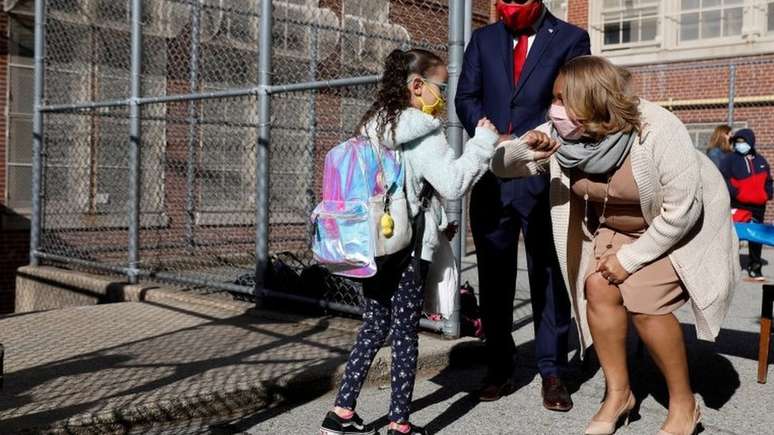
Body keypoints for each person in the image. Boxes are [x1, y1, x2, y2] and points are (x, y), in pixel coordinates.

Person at [491, 56, 738, 435]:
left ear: (593, 101)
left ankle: (684, 404)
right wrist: (527, 148)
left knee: (644, 302)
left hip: (673, 228)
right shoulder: (568, 131)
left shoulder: (656, 129)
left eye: (562, 98)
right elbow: (503, 167)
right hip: (615, 228)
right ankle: (619, 394)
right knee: (597, 287)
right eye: (553, 98)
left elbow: (683, 211)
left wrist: (630, 259)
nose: (553, 109)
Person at [319, 48, 499, 435]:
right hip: (406, 248)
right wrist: (483, 143)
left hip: (373, 243)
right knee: (403, 333)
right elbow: (452, 183)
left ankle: (341, 413)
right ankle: (400, 423)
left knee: (374, 324)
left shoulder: (375, 124)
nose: (443, 95)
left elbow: (402, 187)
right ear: (417, 86)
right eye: (440, 87)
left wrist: (437, 224)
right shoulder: (422, 131)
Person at [455, 0, 590, 408]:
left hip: (544, 174)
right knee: (494, 276)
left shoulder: (570, 38)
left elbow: (577, 100)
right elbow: (466, 96)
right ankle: (499, 365)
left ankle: (552, 370)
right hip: (493, 174)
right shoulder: (482, 40)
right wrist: (492, 136)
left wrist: (547, 134)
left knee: (548, 273)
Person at [720, 128, 773, 281]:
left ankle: (755, 267)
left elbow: (768, 180)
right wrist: (736, 193)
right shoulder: (729, 160)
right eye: (737, 142)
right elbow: (723, 179)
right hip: (739, 204)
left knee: (756, 237)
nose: (740, 144)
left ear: (751, 142)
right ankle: (729, 268)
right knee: (734, 236)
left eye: (743, 141)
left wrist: (767, 194)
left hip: (758, 206)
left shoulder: (761, 161)